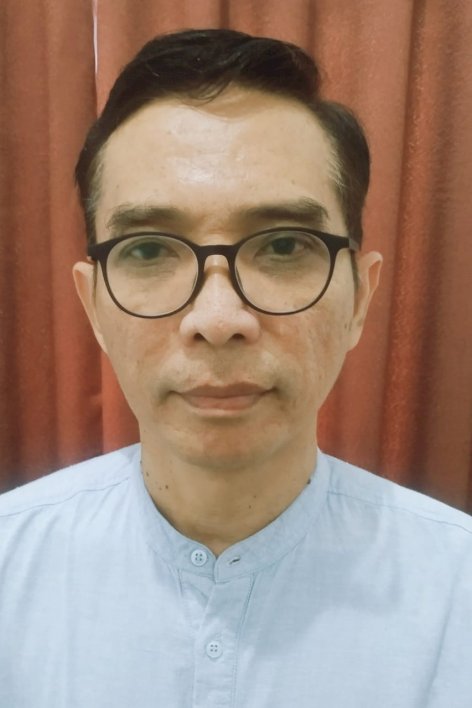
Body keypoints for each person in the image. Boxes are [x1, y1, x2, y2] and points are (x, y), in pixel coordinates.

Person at [0, 28, 471, 708]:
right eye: (148, 250)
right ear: (94, 307)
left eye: (283, 246)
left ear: (361, 299)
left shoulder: (456, 593)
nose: (218, 319)